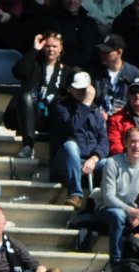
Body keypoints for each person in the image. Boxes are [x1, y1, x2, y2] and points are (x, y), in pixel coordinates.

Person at [94, 127, 139, 272]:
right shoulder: (112, 163)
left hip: (136, 211)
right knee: (118, 215)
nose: (136, 146)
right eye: (133, 141)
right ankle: (115, 262)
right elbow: (108, 198)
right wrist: (131, 211)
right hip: (108, 208)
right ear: (125, 143)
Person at [50, 71, 109, 209]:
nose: (81, 92)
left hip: (91, 161)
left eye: (84, 89)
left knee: (110, 163)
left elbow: (104, 141)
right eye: (78, 88)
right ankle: (76, 194)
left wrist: (94, 159)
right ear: (69, 88)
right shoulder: (60, 106)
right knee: (70, 146)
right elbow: (72, 127)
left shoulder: (95, 111)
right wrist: (86, 104)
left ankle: (106, 202)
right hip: (66, 160)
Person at [10, 32, 72, 160]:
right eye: (48, 46)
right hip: (31, 113)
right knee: (25, 97)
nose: (51, 49)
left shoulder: (67, 71)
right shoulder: (34, 65)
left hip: (53, 116)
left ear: (61, 48)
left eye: (55, 46)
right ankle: (28, 146)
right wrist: (34, 50)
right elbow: (18, 72)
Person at [92, 34, 139, 117]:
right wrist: (97, 112)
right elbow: (87, 99)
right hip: (100, 121)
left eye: (106, 52)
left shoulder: (134, 74)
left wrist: (127, 110)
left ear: (119, 52)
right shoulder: (94, 72)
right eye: (101, 51)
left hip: (125, 120)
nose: (102, 54)